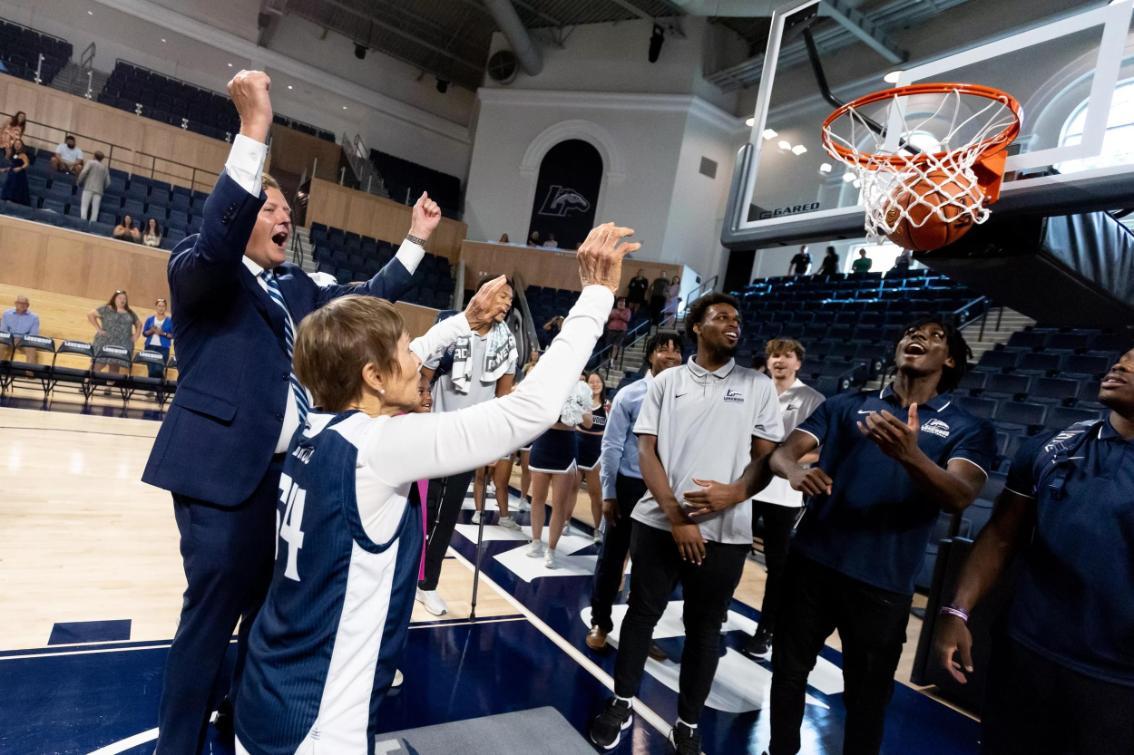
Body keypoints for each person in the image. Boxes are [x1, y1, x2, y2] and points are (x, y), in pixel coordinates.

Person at [232, 223, 635, 755]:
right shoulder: (379, 447)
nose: (417, 361)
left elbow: (397, 356)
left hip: (267, 687)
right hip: (318, 721)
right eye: (404, 352)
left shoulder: (310, 427)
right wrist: (597, 297)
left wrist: (462, 324)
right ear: (374, 376)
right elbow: (528, 411)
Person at [140, 70, 441, 754]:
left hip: (284, 481)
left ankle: (234, 720)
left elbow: (369, 294)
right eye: (270, 208)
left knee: (266, 619)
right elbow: (217, 237)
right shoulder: (198, 269)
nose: (286, 218)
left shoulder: (297, 287)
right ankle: (176, 746)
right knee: (208, 622)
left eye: (286, 211)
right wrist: (252, 137)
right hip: (220, 483)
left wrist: (416, 240)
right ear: (239, 208)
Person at [766, 319, 996, 755]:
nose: (917, 337)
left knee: (867, 698)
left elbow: (960, 495)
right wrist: (796, 471)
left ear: (949, 359)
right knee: (788, 672)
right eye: (910, 332)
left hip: (882, 583)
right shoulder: (845, 405)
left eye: (934, 336)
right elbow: (782, 453)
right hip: (812, 562)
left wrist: (911, 456)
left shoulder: (968, 427)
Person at [589, 293, 784, 754]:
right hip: (659, 524)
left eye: (737, 319)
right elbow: (645, 452)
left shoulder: (757, 386)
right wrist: (677, 517)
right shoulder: (666, 382)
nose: (733, 325)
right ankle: (621, 704)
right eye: (721, 318)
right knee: (641, 616)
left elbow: (766, 459)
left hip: (727, 533)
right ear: (697, 326)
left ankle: (688, 725)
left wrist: (734, 493)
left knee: (705, 630)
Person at [933, 346, 1134, 755]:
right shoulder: (1053, 447)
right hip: (1025, 654)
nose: (1121, 364)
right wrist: (957, 610)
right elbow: (1002, 534)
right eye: (1123, 357)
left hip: (1118, 682)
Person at [416, 276, 519, 616]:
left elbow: (503, 398)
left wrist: (496, 445)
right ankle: (408, 575)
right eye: (500, 296)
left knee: (446, 518)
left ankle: (428, 585)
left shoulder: (508, 344)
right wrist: (424, 399)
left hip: (469, 440)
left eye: (509, 299)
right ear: (482, 295)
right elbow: (424, 377)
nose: (505, 303)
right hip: (433, 434)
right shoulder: (452, 327)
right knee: (422, 514)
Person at [585, 331, 682, 651]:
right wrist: (609, 493)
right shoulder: (631, 394)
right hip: (630, 486)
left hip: (666, 489)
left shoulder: (689, 394)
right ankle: (600, 622)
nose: (671, 355)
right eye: (664, 349)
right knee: (613, 558)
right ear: (650, 354)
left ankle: (643, 631)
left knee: (653, 567)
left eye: (677, 351)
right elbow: (611, 445)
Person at [740, 338, 825, 659]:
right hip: (747, 486)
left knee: (777, 569)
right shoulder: (756, 392)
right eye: (775, 355)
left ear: (798, 363)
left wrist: (779, 459)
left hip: (784, 496)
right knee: (731, 552)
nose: (780, 360)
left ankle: (766, 630)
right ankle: (717, 610)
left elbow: (817, 453)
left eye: (787, 356)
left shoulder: (813, 399)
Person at [527, 374, 594, 567]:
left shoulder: (582, 389)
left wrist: (580, 407)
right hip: (544, 442)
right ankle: (536, 541)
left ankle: (552, 549)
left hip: (566, 446)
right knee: (537, 498)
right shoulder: (550, 384)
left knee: (559, 503)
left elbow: (588, 424)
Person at [577, 371, 609, 543]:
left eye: (598, 381)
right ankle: (565, 522)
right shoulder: (581, 402)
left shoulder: (607, 406)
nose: (595, 384)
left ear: (603, 384)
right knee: (570, 491)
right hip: (578, 448)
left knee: (595, 494)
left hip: (597, 453)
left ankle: (597, 529)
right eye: (591, 382)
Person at [88, 289, 141, 376]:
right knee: (98, 364)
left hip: (122, 343)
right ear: (114, 298)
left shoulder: (130, 312)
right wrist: (98, 329)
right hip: (105, 341)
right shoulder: (106, 309)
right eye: (120, 298)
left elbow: (139, 324)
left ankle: (109, 387)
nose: (122, 300)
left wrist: (136, 335)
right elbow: (90, 314)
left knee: (115, 365)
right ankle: (87, 383)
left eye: (124, 298)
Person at [1, 294, 41, 364]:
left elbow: (33, 334)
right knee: (0, 345)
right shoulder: (7, 314)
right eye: (19, 303)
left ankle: (29, 373)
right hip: (8, 339)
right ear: (15, 304)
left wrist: (20, 339)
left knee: (32, 349)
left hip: (24, 341)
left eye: (25, 304)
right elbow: (3, 331)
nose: (22, 305)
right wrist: (11, 338)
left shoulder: (34, 317)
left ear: (28, 305)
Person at [140, 298, 173, 378]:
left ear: (165, 308)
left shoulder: (170, 320)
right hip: (150, 347)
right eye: (159, 306)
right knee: (151, 370)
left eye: (163, 306)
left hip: (163, 348)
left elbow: (173, 335)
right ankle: (152, 389)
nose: (161, 308)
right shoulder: (150, 319)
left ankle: (158, 388)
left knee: (158, 369)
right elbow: (144, 333)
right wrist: (151, 330)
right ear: (156, 307)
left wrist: (162, 333)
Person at [77, 151, 111, 222]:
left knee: (84, 207)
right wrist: (102, 188)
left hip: (88, 188)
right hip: (99, 191)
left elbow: (84, 172)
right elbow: (108, 182)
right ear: (102, 159)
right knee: (95, 210)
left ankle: (83, 223)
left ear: (94, 156)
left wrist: (79, 181)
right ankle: (92, 225)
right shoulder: (105, 168)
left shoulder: (90, 162)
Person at [1, 139, 30, 207]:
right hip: (12, 175)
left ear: (22, 146)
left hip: (19, 176)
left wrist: (20, 168)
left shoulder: (23, 155)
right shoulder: (14, 155)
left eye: (19, 144)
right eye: (16, 144)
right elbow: (12, 166)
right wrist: (4, 169)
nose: (17, 145)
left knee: (16, 190)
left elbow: (27, 164)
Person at [605, 297, 632, 361]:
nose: (621, 303)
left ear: (625, 303)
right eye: (620, 302)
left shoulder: (627, 310)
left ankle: (612, 360)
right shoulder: (613, 310)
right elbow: (609, 317)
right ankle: (607, 359)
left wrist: (618, 314)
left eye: (623, 302)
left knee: (616, 346)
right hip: (611, 330)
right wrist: (619, 315)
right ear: (617, 303)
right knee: (608, 346)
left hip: (621, 331)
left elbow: (627, 319)